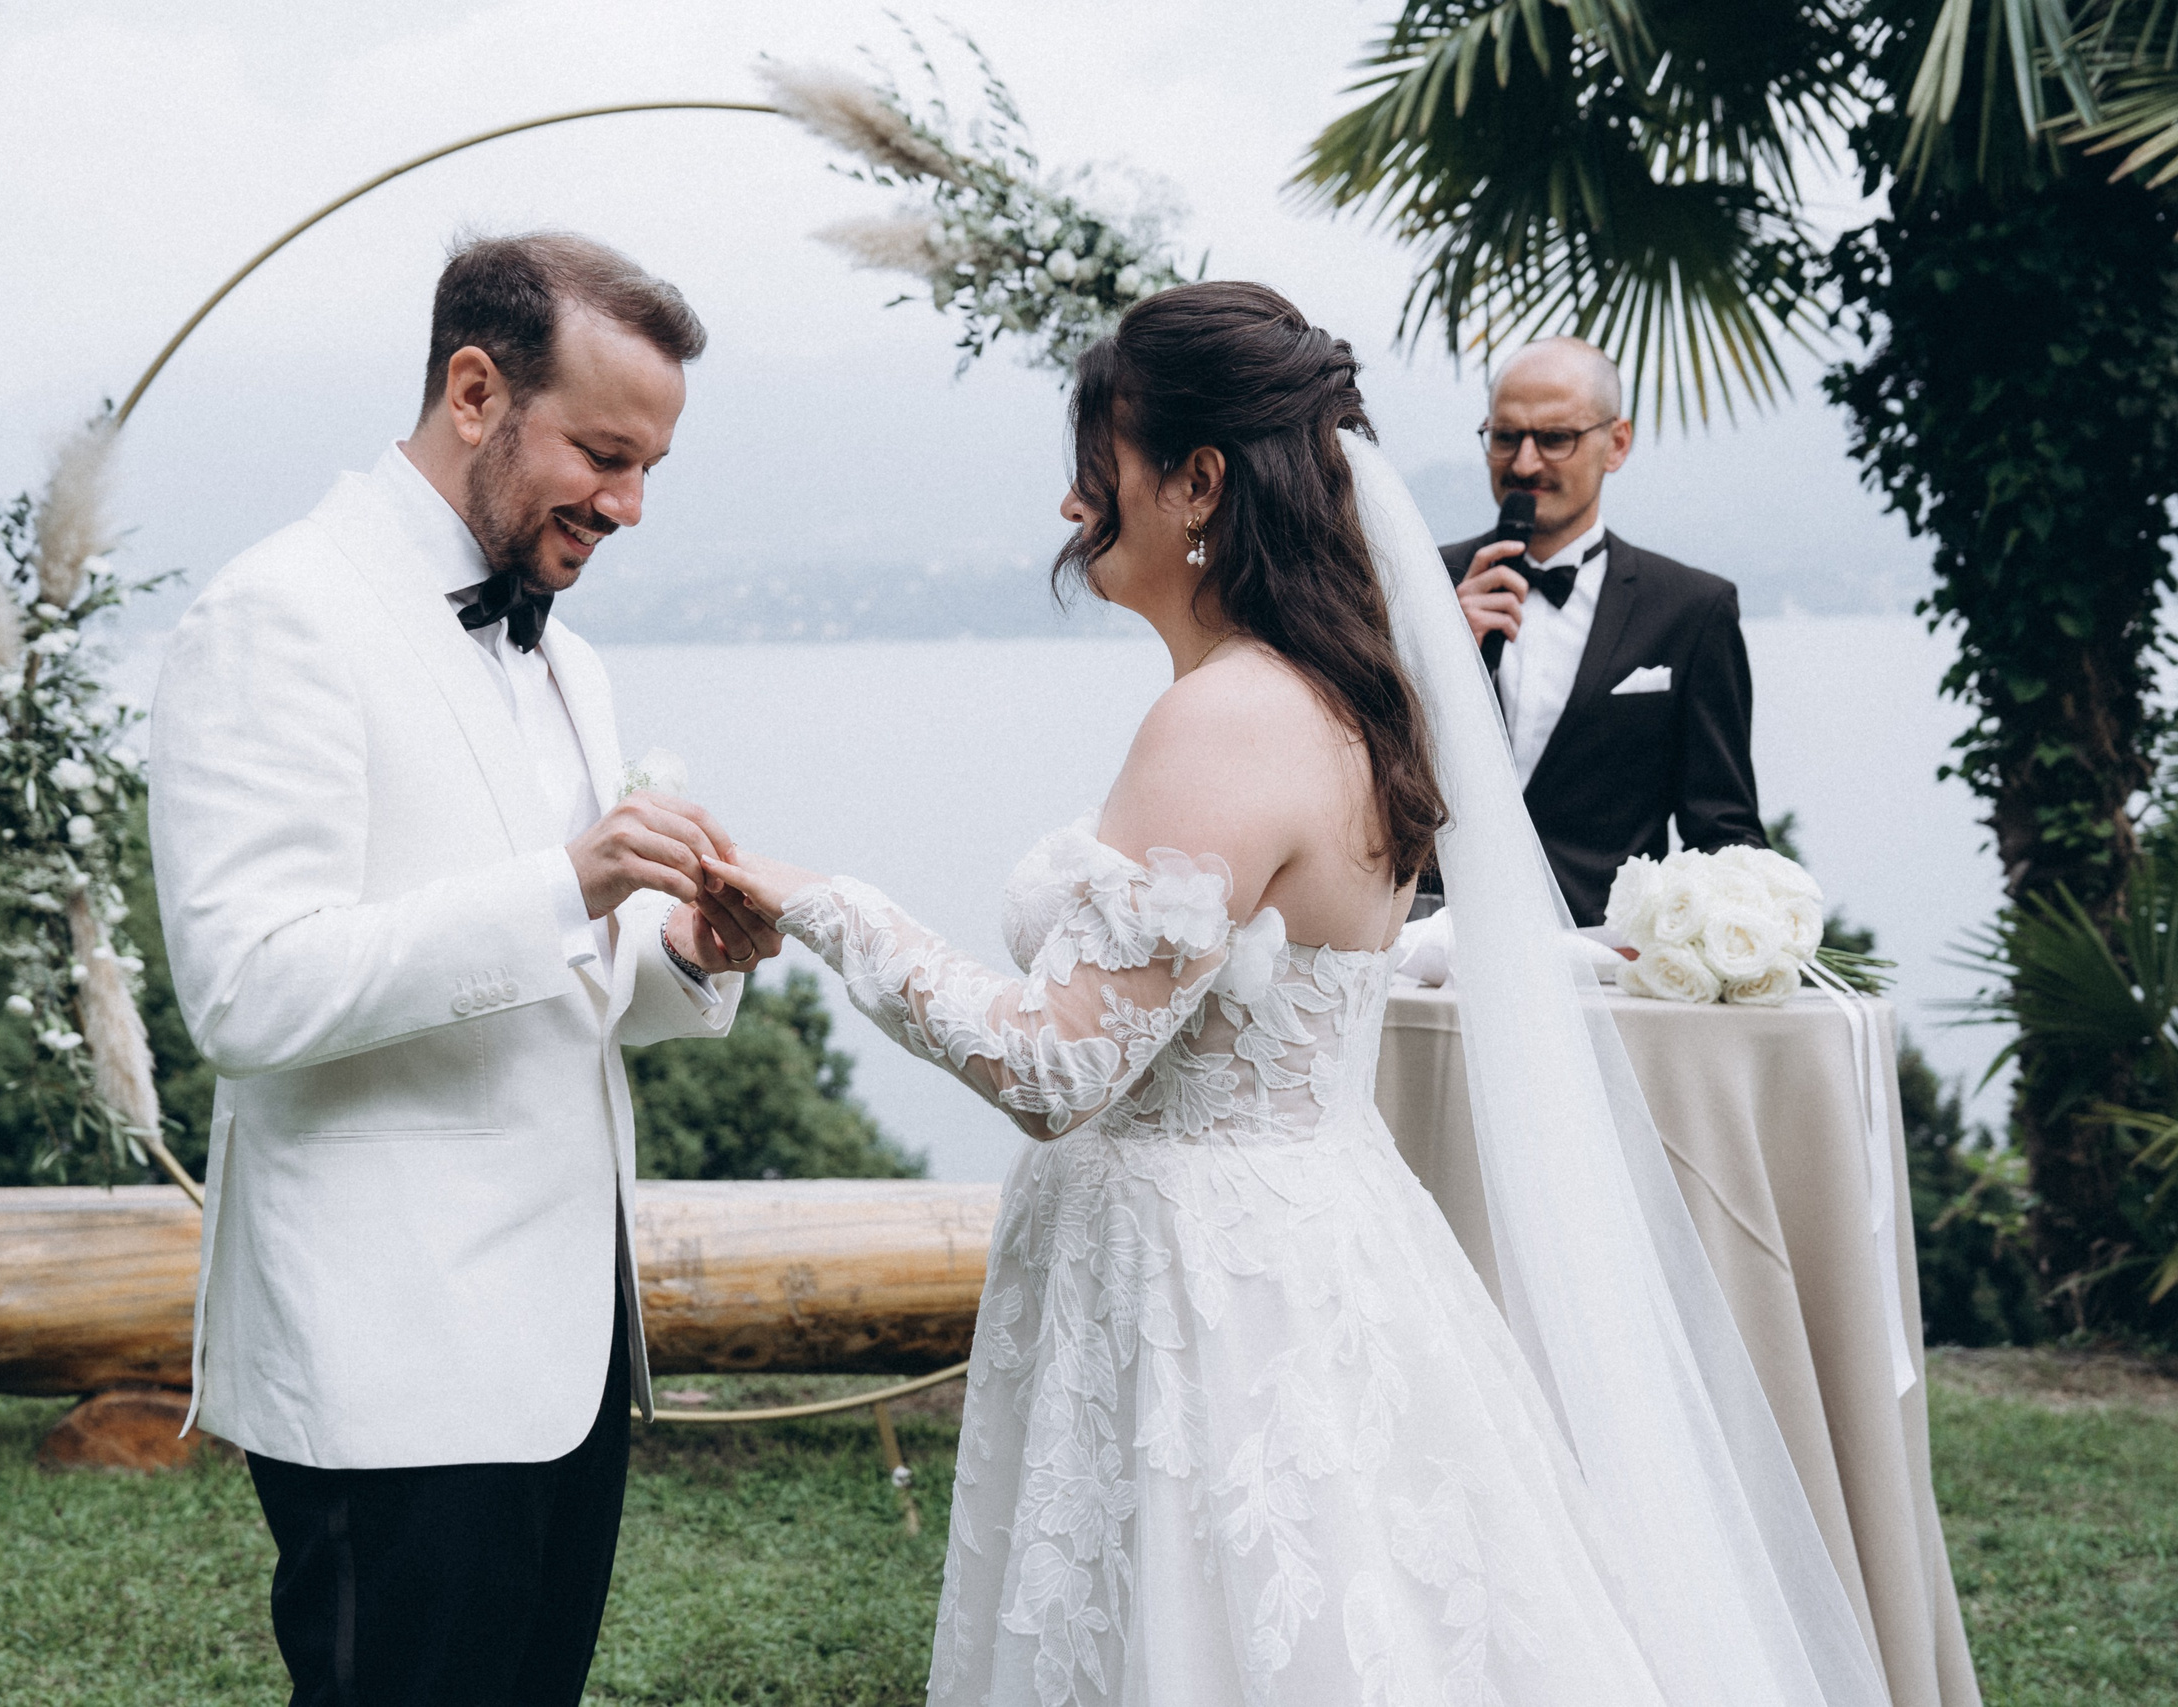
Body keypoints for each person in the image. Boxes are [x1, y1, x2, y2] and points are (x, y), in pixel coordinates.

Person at [709, 285, 1889, 1705]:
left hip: (1202, 1291)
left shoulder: (1232, 715)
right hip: (1317, 1241)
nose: (1077, 502)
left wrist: (821, 904)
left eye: (1104, 465)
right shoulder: (1347, 694)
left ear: (1197, 481)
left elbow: (1054, 1068)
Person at [148, 231, 782, 1707]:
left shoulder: (569, 655)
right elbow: (246, 988)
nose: (627, 504)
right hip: (391, 1357)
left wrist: (684, 953)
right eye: (606, 454)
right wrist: (570, 879)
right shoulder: (280, 611)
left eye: (651, 469)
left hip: (565, 1351)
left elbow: (570, 972)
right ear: (477, 388)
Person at [1446, 337, 1763, 924]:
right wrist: (1435, 657)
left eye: (1555, 439)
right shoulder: (1416, 585)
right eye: (1507, 437)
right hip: (1429, 949)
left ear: (1616, 443)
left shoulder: (1692, 610)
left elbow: (1723, 828)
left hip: (1602, 965)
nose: (1524, 464)